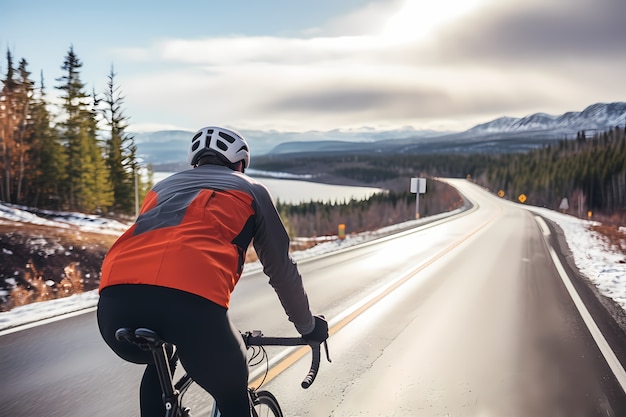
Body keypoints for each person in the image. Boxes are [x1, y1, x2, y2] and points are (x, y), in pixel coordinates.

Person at [97, 126, 328, 417]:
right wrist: (308, 326)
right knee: (233, 394)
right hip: (191, 306)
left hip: (114, 303)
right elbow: (281, 270)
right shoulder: (252, 190)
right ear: (240, 163)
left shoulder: (161, 189)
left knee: (161, 360)